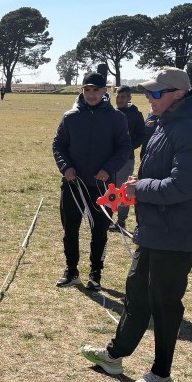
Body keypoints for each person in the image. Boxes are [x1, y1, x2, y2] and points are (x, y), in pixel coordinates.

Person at [81, 67, 192, 382]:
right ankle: (115, 355)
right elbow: (158, 175)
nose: (149, 98)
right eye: (149, 92)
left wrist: (140, 187)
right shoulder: (163, 125)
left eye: (157, 93)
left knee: (164, 302)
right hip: (153, 229)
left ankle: (161, 375)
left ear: (179, 95)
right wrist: (133, 190)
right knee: (136, 292)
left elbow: (184, 185)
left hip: (178, 235)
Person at [51, 72, 130, 290]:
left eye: (96, 90)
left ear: (105, 92)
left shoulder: (116, 118)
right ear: (82, 91)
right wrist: (66, 167)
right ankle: (71, 270)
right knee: (70, 230)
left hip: (103, 188)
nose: (91, 94)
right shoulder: (70, 117)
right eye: (87, 90)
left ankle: (95, 273)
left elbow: (124, 148)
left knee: (99, 231)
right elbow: (59, 145)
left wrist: (108, 169)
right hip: (73, 185)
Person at [113, 85, 145, 231]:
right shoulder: (110, 113)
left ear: (129, 98)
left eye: (123, 97)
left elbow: (142, 134)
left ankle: (121, 221)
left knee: (123, 189)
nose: (120, 100)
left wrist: (130, 146)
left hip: (126, 159)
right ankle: (106, 217)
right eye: (118, 97)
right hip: (108, 158)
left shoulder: (135, 114)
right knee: (108, 188)